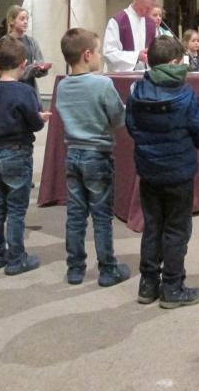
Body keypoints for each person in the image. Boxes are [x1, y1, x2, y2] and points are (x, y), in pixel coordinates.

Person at [126, 36, 199, 308]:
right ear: (175, 62)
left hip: (149, 171)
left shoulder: (136, 92)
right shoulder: (185, 94)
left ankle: (148, 284)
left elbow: (132, 128)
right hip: (178, 173)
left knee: (153, 226)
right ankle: (173, 287)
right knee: (176, 229)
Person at [55, 27, 130, 286]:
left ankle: (75, 268)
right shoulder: (102, 83)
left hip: (73, 153)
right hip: (97, 154)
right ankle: (108, 269)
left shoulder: (62, 86)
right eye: (98, 51)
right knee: (101, 215)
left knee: (76, 214)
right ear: (87, 55)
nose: (100, 56)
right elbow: (118, 117)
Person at [0, 36, 50, 276]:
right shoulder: (24, 92)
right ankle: (16, 258)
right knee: (17, 209)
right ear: (23, 64)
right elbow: (35, 124)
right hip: (18, 151)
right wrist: (39, 119)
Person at [103, 0, 158, 72]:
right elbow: (109, 54)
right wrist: (137, 56)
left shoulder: (151, 24)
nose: (148, 12)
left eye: (151, 9)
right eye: (146, 8)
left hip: (146, 77)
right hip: (124, 77)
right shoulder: (118, 21)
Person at [4, 5, 51, 96]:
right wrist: (30, 68)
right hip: (9, 91)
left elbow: (40, 62)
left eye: (27, 19)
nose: (25, 22)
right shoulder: (4, 42)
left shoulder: (32, 42)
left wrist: (41, 69)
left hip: (29, 90)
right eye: (22, 19)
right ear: (12, 21)